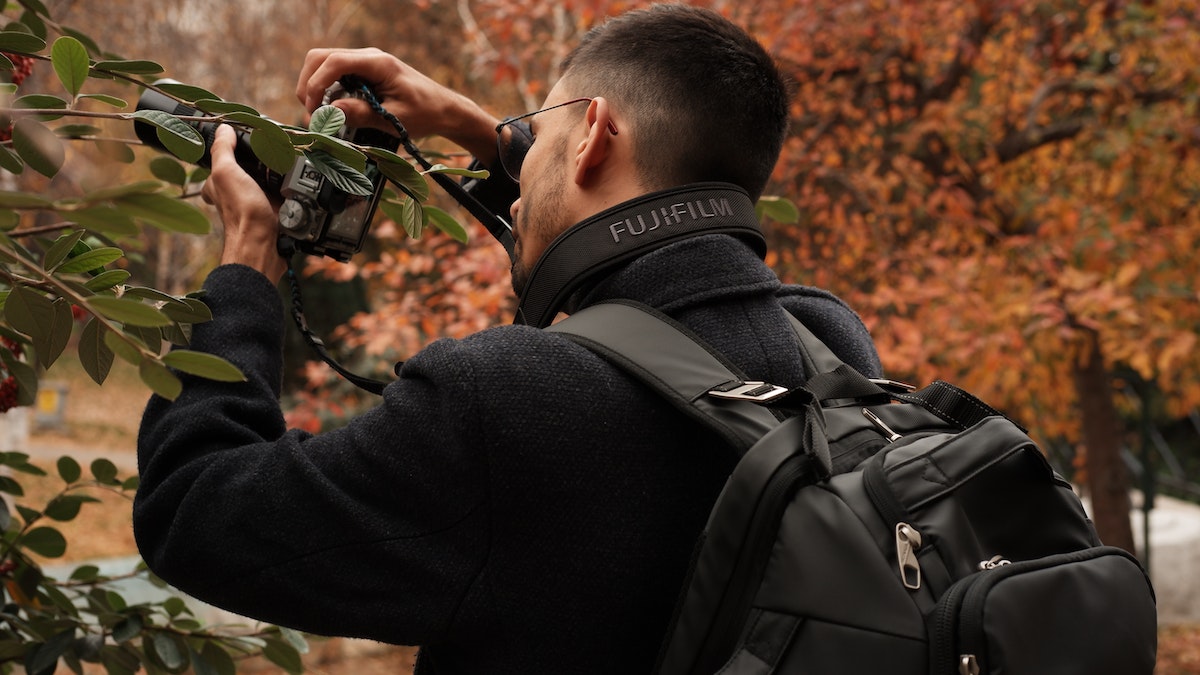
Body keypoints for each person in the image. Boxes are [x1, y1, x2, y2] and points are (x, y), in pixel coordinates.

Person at [134, 5, 883, 674]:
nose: (524, 174)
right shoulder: (828, 340)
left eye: (544, 132)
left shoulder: (500, 402)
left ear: (592, 135)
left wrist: (245, 266)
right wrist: (476, 132)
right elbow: (651, 305)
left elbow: (194, 509)